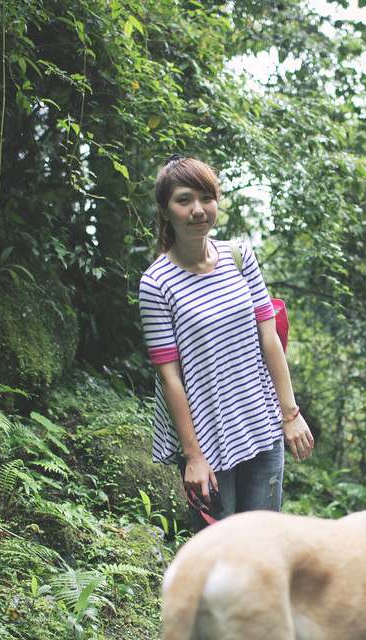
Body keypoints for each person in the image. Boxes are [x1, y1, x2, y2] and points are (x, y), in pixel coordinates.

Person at [138, 154, 315, 530]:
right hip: (208, 440)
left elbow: (268, 338)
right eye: (184, 200)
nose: (198, 210)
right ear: (165, 210)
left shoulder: (239, 257)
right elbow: (170, 376)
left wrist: (290, 413)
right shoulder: (156, 284)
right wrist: (193, 456)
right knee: (220, 553)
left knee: (262, 545)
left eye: (207, 198)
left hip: (262, 425)